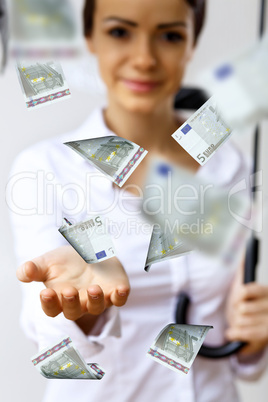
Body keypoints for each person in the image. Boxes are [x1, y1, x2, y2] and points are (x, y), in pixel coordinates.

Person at [9, 0, 268, 401]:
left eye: (169, 35)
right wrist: (85, 310)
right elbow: (53, 350)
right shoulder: (45, 170)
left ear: (191, 44)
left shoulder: (231, 164)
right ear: (90, 37)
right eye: (120, 32)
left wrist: (252, 340)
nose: (144, 58)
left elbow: (238, 357)